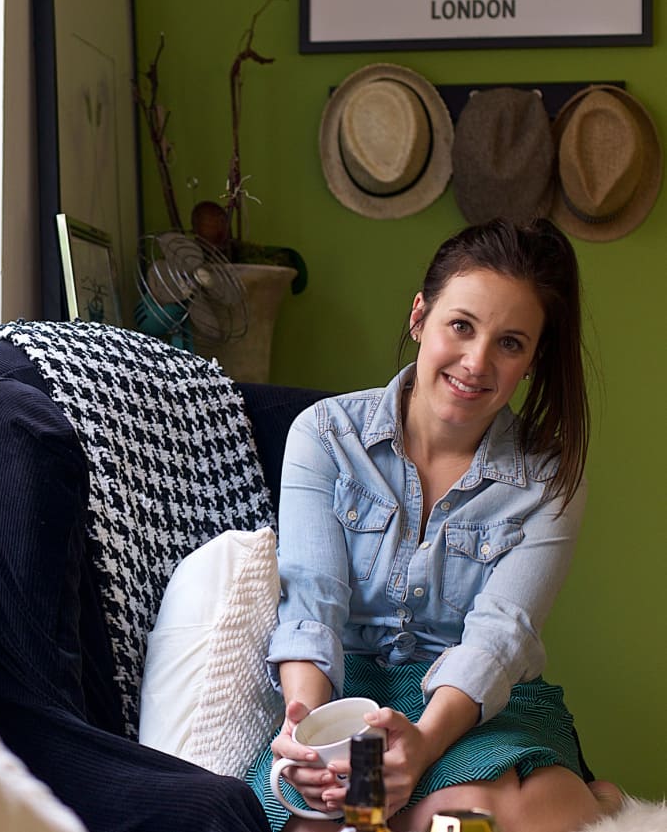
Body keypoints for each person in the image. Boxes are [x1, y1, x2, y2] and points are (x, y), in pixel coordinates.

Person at [246, 218, 623, 832]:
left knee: (469, 817)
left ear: (532, 360)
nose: (477, 363)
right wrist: (308, 731)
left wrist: (422, 742)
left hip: (472, 703)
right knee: (335, 821)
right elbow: (311, 605)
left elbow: (499, 636)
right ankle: (575, 795)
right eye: (461, 326)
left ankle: (588, 798)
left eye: (510, 343)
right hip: (353, 696)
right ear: (420, 317)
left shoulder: (551, 477)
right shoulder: (324, 435)